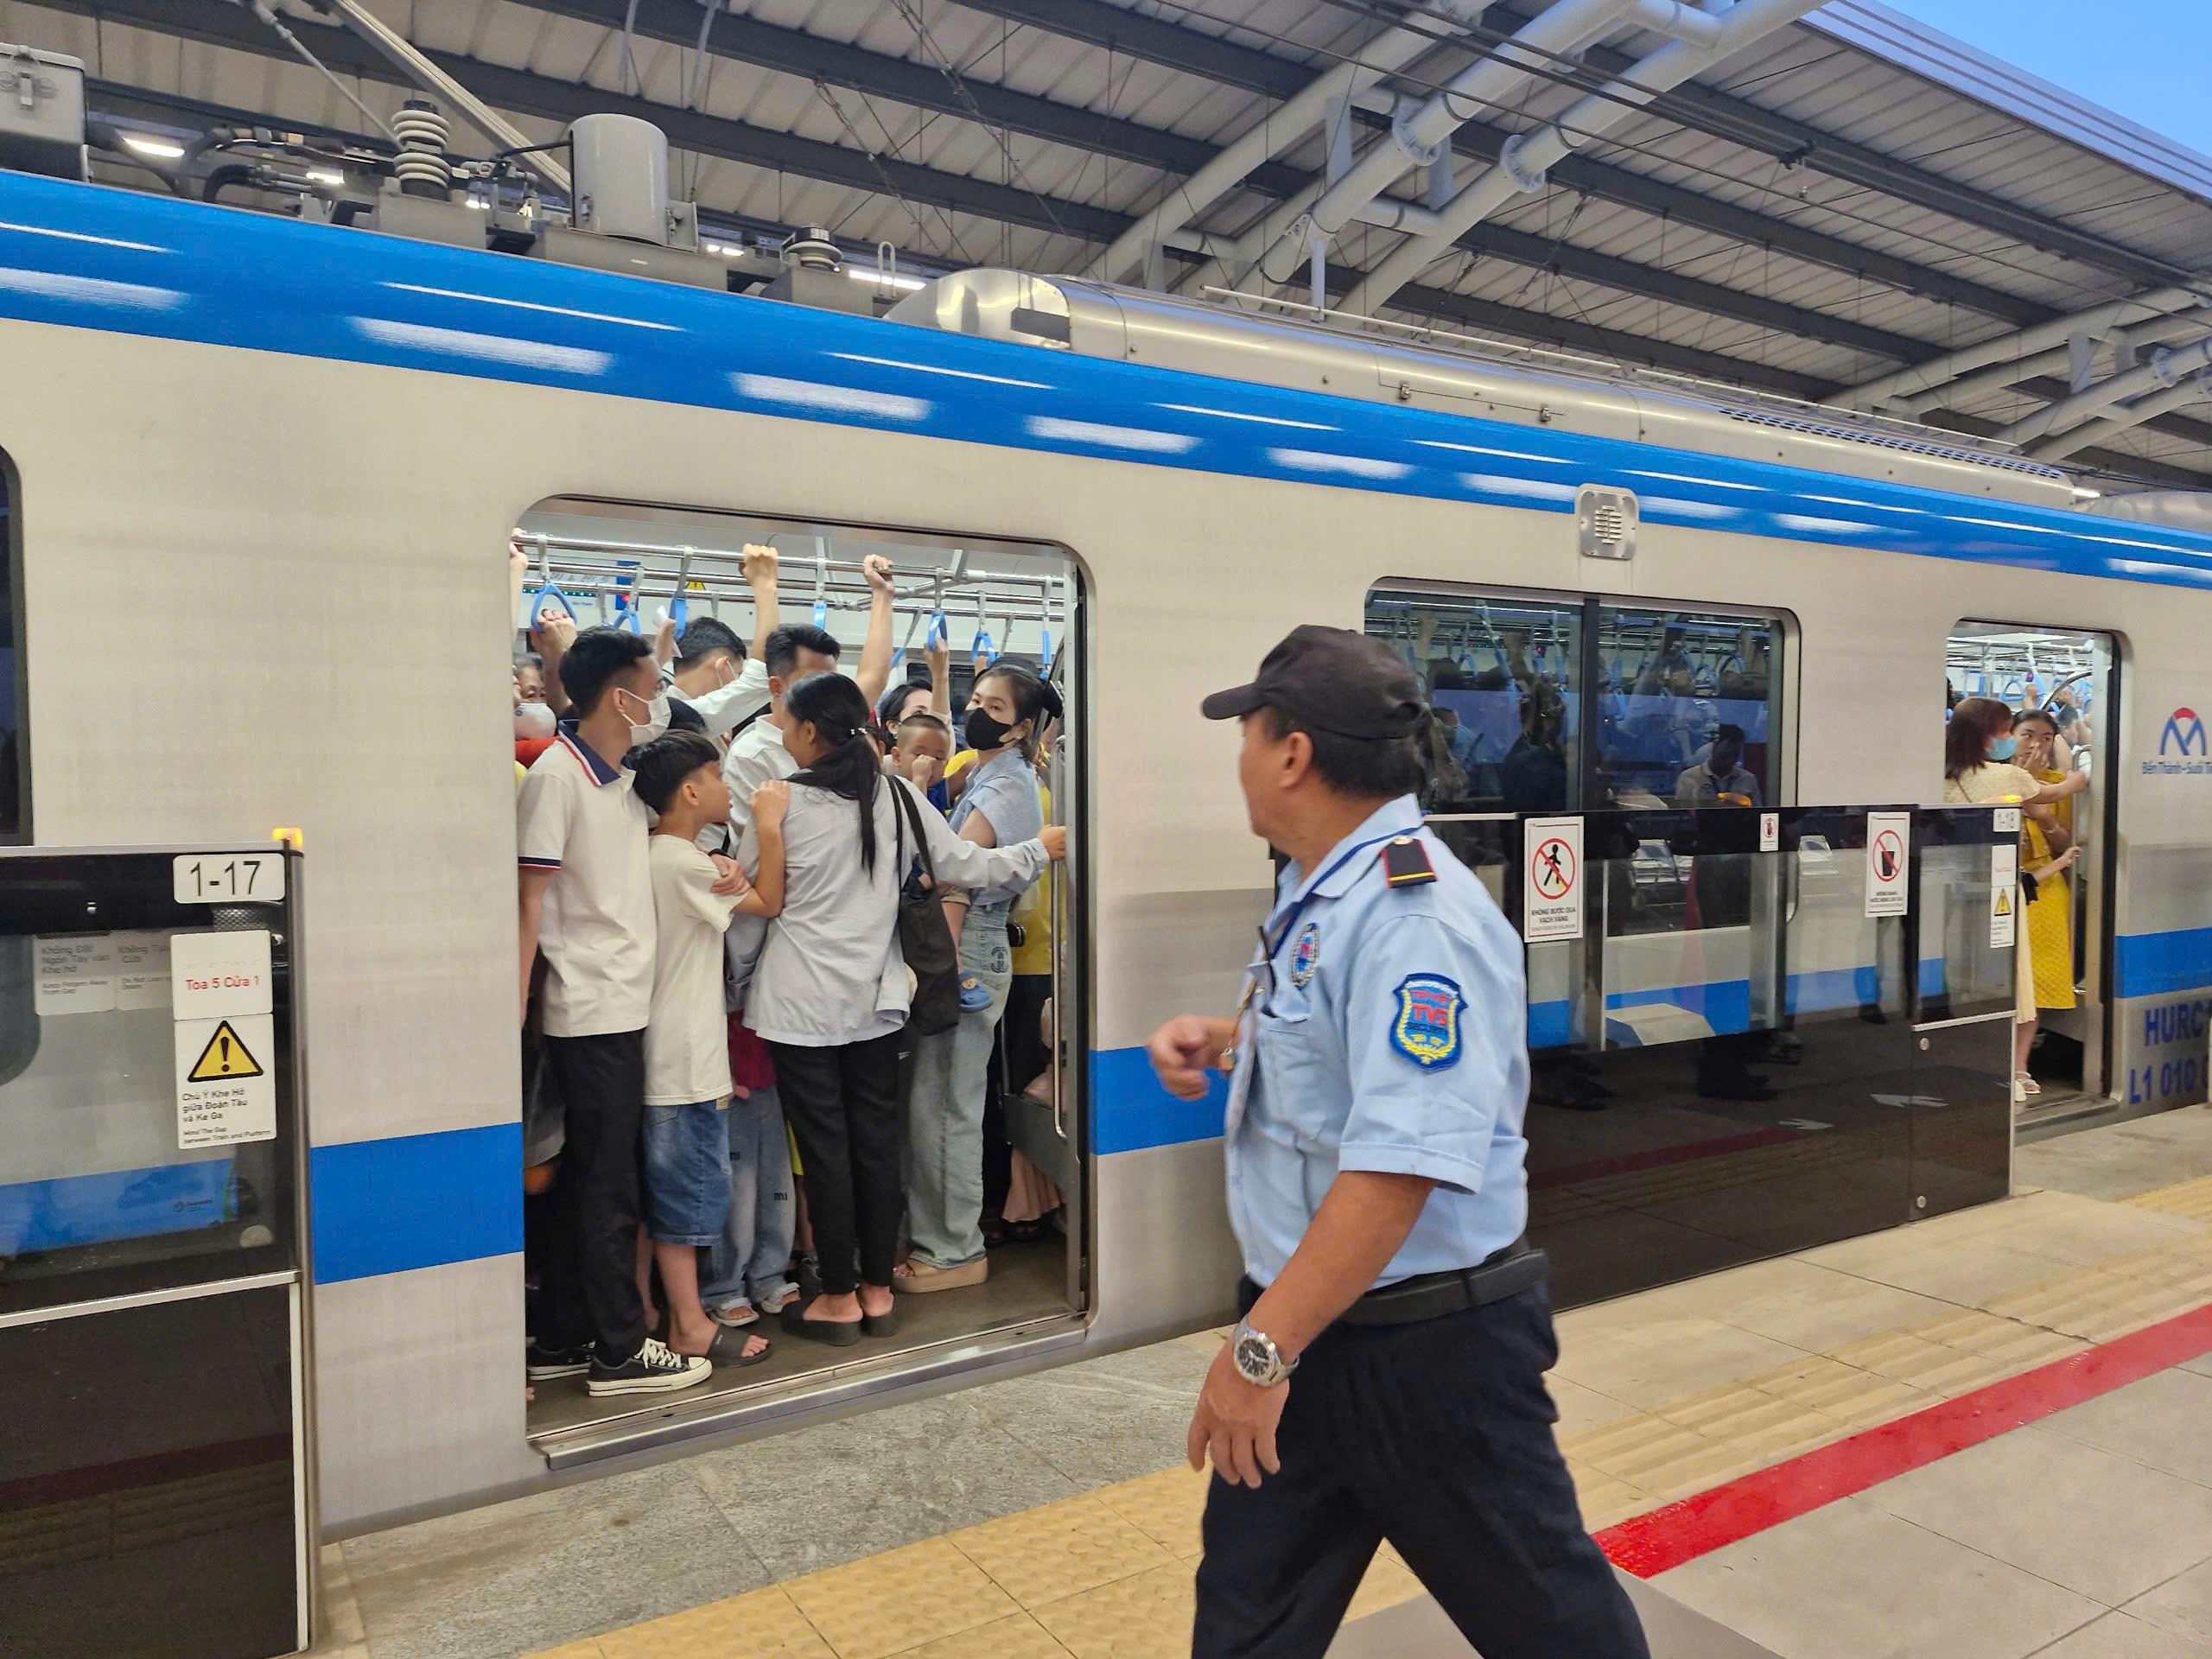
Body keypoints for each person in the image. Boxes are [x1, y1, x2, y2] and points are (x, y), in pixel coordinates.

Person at [1145, 625, 1649, 1659]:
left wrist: (1255, 1351)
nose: (1238, 758)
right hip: (1314, 1333)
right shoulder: (1319, 886)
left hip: (1427, 1358)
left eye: (1247, 734)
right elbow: (1351, 1066)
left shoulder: (1412, 914)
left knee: (1553, 1624)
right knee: (1246, 1614)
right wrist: (1237, 1040)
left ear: (1291, 754)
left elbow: (1400, 1165)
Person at [736, 671, 1065, 1344]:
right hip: (877, 1003)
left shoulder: (777, 805)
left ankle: (837, 1297)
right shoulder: (898, 799)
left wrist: (736, 986)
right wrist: (1040, 849)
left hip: (798, 1007)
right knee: (876, 1144)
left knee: (826, 1151)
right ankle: (879, 1292)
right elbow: (971, 865)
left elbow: (748, 918)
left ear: (806, 732)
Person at [518, 627, 745, 1397]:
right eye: (650, 685)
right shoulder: (556, 777)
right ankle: (618, 1350)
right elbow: (531, 902)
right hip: (590, 1009)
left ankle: (567, 1332)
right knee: (608, 1187)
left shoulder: (613, 782)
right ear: (621, 696)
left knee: (597, 1180)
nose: (658, 700)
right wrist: (516, 1010)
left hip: (619, 1007)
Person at [901, 664, 1062, 1293]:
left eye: (996, 708)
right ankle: (942, 1242)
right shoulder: (985, 775)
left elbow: (957, 879)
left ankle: (953, 1251)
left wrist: (948, 964)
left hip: (968, 942)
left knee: (946, 1106)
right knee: (937, 1099)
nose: (978, 713)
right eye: (976, 700)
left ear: (1022, 726)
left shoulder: (1008, 788)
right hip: (966, 940)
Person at [630, 733, 788, 1368]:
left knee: (660, 1194)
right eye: (719, 776)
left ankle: (650, 1310)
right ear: (690, 791)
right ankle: (690, 1325)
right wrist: (770, 828)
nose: (730, 788)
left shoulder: (662, 855)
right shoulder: (685, 861)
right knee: (687, 1198)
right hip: (686, 1059)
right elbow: (770, 904)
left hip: (661, 1050)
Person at [1943, 696, 2082, 1099]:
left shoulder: (1946, 774)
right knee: (2021, 987)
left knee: (1975, 981)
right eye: (2014, 733)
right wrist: (2083, 770)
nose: (2029, 744)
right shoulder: (2009, 778)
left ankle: (1980, 1061)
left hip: (1963, 892)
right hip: (2010, 894)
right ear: (1992, 735)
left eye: (2046, 738)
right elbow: (2064, 789)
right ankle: (2013, 1071)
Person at [2012, 708, 2082, 1091]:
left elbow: (2064, 842)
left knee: (2033, 984)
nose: (2035, 744)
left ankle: (2020, 1064)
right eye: (2027, 735)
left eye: (2045, 737)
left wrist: (2044, 818)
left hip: (2045, 889)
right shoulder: (1993, 776)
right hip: (2002, 888)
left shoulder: (2058, 784)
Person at [668, 545, 781, 740]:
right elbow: (763, 675)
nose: (738, 682)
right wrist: (764, 584)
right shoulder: (673, 716)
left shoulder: (704, 720)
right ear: (722, 666)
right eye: (737, 674)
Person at [1674, 722, 1759, 806]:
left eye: (1734, 755)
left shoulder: (1748, 780)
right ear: (1713, 747)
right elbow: (1682, 816)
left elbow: (1758, 816)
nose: (1729, 761)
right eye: (1725, 756)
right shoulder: (1688, 777)